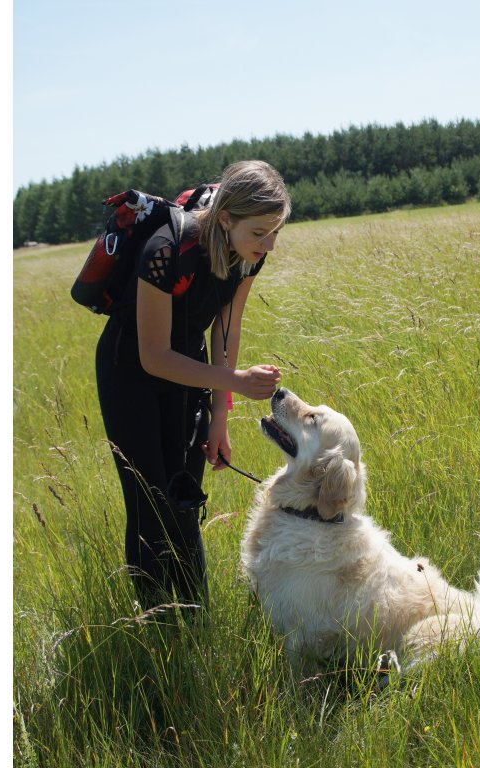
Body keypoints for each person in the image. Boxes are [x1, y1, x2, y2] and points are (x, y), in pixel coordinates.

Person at [94, 160, 290, 606]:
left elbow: (227, 330)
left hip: (191, 369)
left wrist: (220, 416)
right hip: (131, 372)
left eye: (277, 231)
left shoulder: (248, 256)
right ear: (225, 218)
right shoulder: (165, 249)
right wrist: (236, 382)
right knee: (149, 504)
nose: (270, 244)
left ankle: (194, 613)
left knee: (184, 495)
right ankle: (156, 620)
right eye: (261, 231)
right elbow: (154, 356)